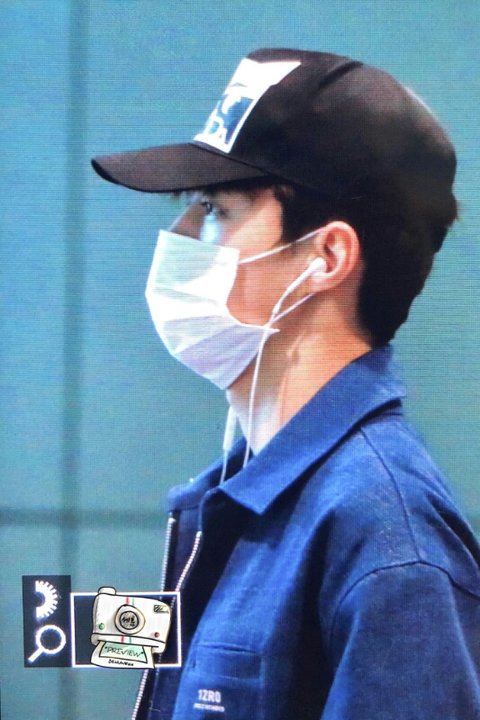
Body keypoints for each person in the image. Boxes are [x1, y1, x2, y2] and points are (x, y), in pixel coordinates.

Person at [92, 48, 480, 720]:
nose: (179, 236)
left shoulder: (387, 540)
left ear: (327, 257)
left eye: (215, 208)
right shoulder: (245, 492)